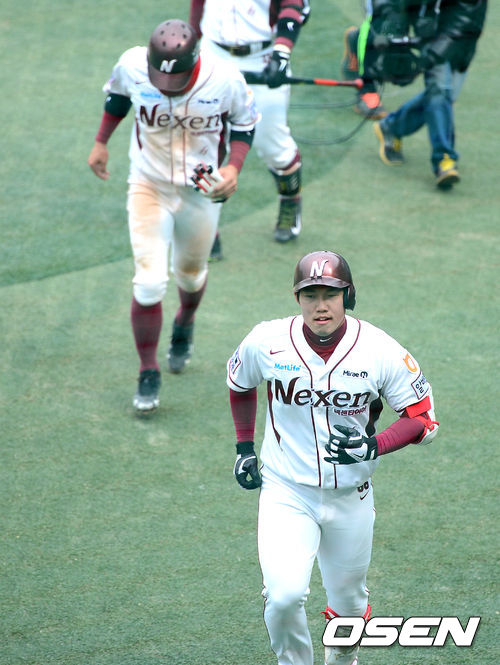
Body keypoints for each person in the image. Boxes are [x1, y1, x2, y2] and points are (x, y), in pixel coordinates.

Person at [226, 250, 439, 665]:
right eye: (310, 295)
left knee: (349, 608)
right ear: (297, 298)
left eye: (330, 294)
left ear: (348, 296)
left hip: (350, 495)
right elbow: (239, 382)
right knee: (284, 596)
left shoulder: (379, 349)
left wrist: (374, 445)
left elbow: (423, 420)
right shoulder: (266, 341)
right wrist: (243, 448)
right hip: (286, 491)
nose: (320, 306)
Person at [88, 19, 258, 413]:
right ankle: (148, 369)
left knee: (190, 275)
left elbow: (245, 123)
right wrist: (101, 142)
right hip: (147, 184)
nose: (166, 85)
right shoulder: (132, 64)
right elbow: (118, 96)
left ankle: (185, 321)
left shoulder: (224, 78)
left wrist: (233, 168)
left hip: (200, 191)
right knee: (149, 282)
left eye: (176, 77)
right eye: (159, 76)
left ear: (194, 61)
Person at [189, 0, 311, 252]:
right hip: (214, 54)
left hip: (262, 58)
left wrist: (282, 53)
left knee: (273, 146)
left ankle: (289, 199)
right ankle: (206, 226)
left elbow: (295, 6)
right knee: (205, 143)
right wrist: (192, 42)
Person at [371, 0, 487, 189]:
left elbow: (466, 21)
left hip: (461, 38)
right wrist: (389, 31)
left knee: (443, 98)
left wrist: (432, 55)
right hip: (429, 29)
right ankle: (444, 160)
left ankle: (392, 126)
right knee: (439, 93)